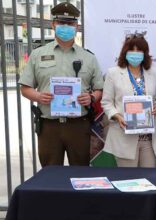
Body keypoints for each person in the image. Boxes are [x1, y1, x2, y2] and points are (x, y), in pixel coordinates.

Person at [19, 2, 104, 167]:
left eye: (70, 23)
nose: (66, 27)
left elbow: (99, 88)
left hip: (79, 125)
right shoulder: (38, 55)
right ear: (53, 25)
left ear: (76, 26)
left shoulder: (89, 58)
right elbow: (25, 88)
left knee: (80, 175)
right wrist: (38, 96)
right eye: (61, 23)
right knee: (50, 175)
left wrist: (92, 97)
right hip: (49, 126)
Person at [101, 34, 156, 167]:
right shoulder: (113, 73)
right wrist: (117, 116)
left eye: (139, 51)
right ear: (125, 53)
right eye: (131, 50)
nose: (135, 54)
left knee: (148, 181)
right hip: (124, 136)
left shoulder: (153, 73)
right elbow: (106, 102)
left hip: (149, 139)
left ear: (145, 54)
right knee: (128, 182)